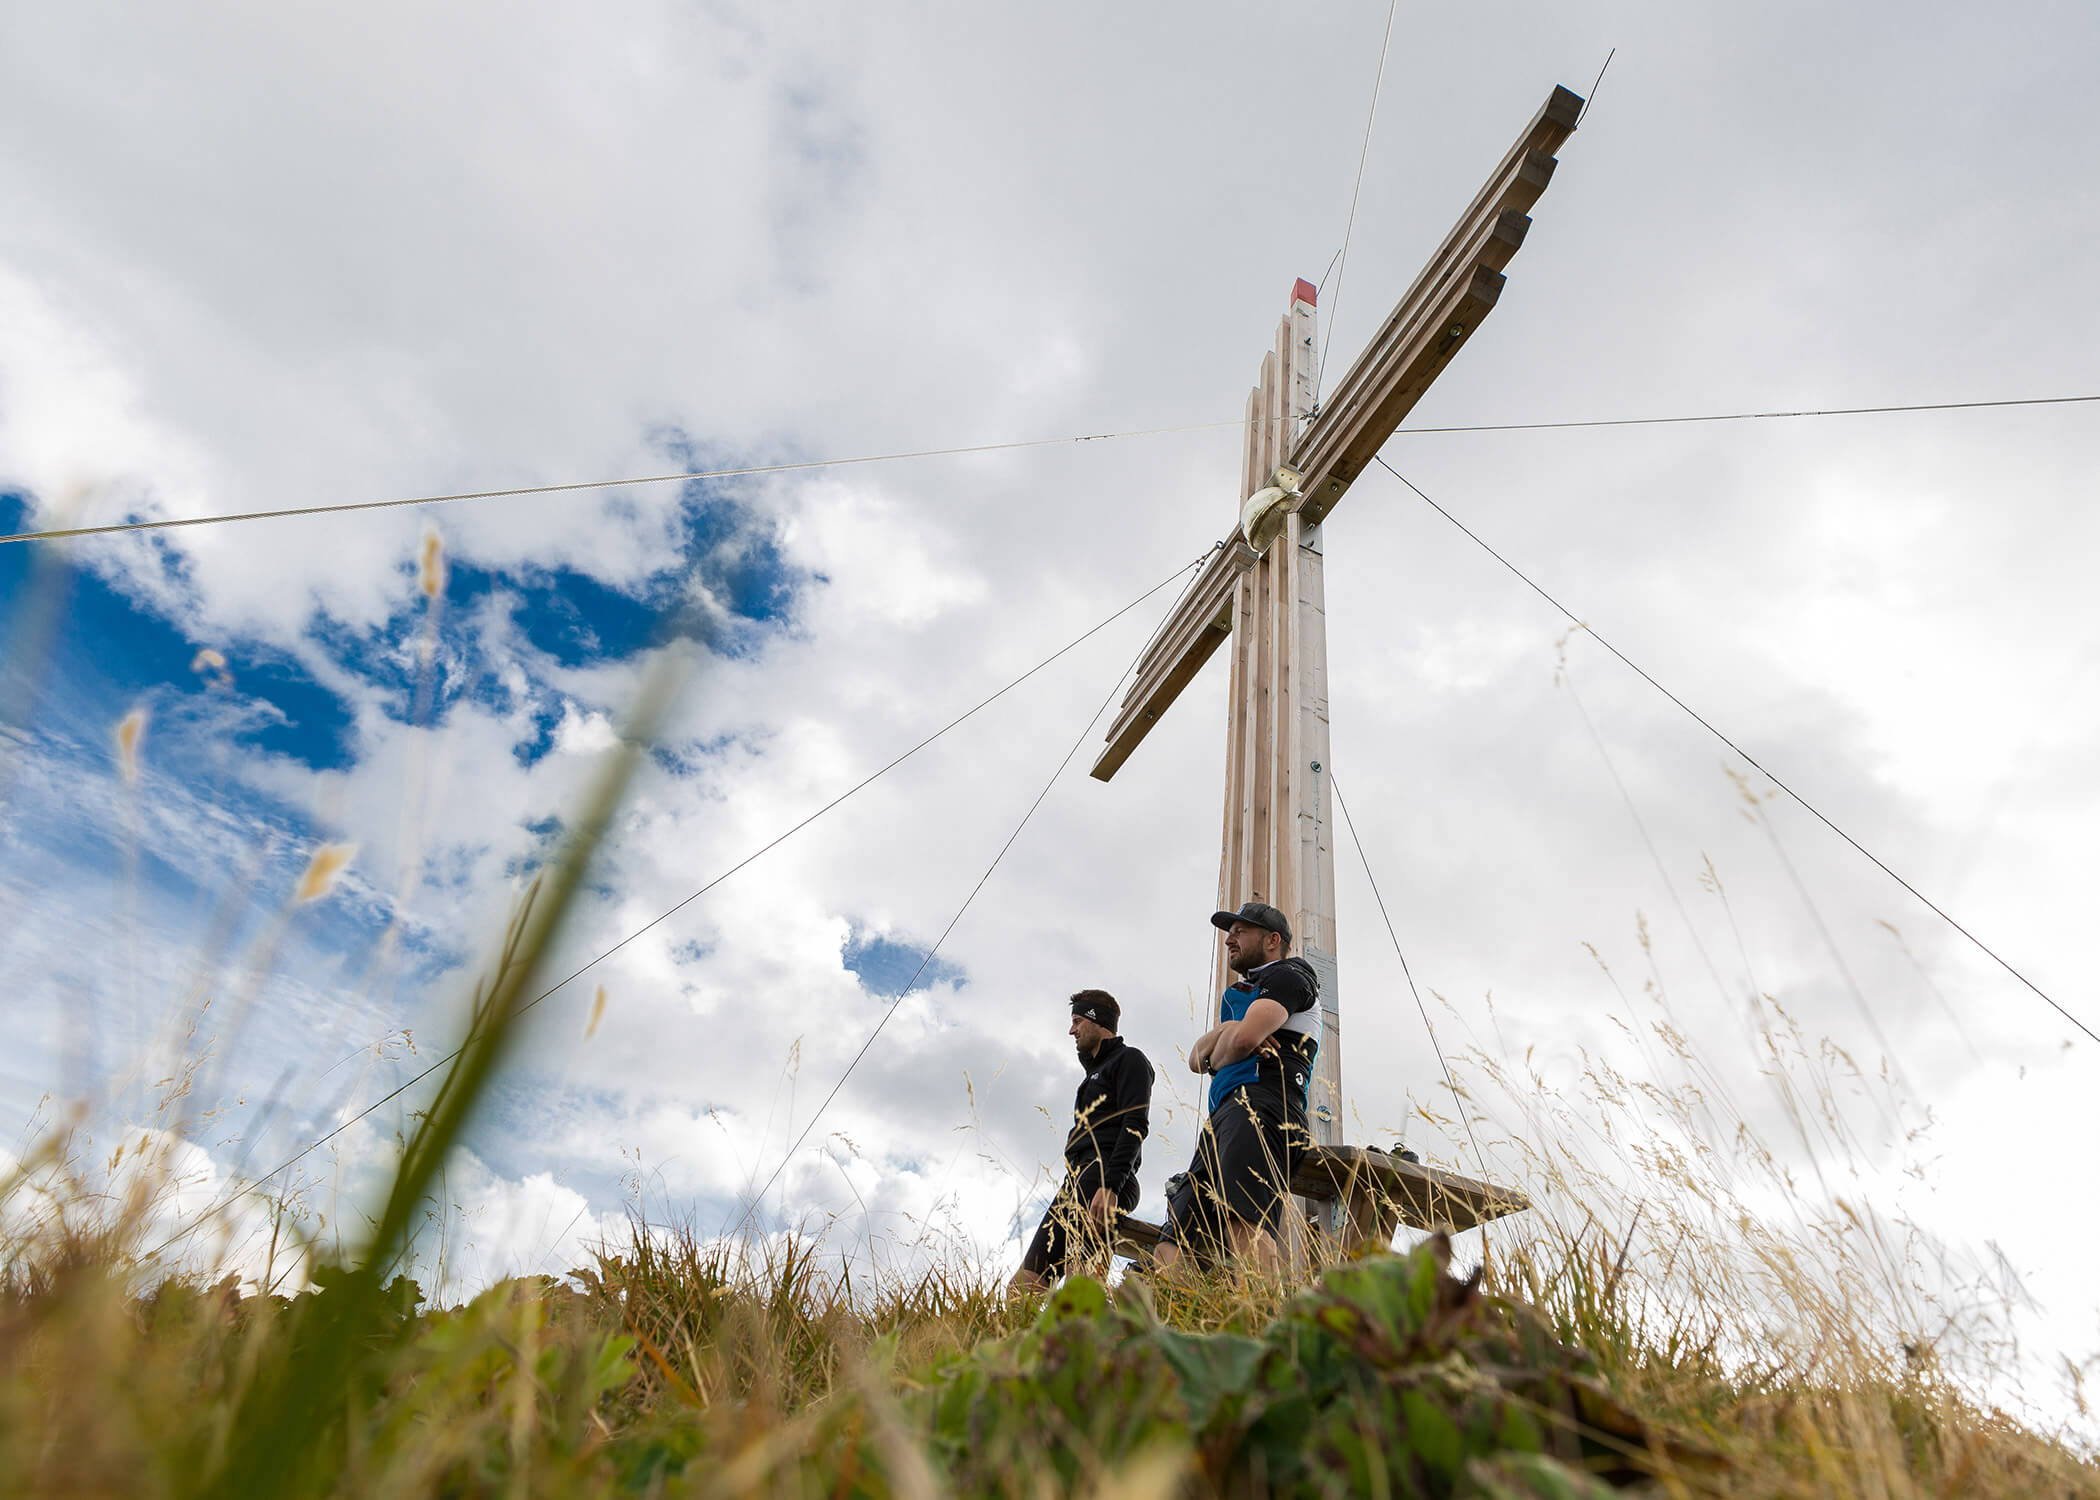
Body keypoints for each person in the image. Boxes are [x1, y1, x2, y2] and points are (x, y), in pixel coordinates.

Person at [1153, 901, 1319, 1277]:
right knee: (1176, 1234)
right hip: (1225, 1114)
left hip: (1263, 1103)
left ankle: (1264, 1320)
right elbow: (1197, 1059)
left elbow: (1244, 1042)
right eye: (1230, 931)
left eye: (1240, 931)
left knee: (1244, 1220)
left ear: (1273, 940)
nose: (1230, 939)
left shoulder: (1291, 976)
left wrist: (1231, 1040)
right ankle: (1168, 1323)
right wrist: (1229, 1032)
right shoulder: (1243, 993)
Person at [1011, 989, 1155, 1293]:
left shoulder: (1129, 1059)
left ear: (1096, 1021)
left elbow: (1135, 1123)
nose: (1071, 1030)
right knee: (1023, 1285)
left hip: (1103, 1176)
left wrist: (1111, 1185)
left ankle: (1090, 1338)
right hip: (1077, 1178)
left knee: (1082, 1278)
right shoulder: (1093, 1073)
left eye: (1077, 1021)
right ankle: (1024, 1340)